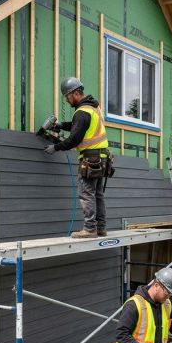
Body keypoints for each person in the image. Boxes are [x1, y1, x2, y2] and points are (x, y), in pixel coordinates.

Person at [43, 77, 111, 238]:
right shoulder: (93, 108)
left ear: (75, 93)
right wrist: (61, 125)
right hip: (102, 157)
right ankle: (101, 228)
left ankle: (90, 229)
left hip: (90, 159)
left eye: (67, 96)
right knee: (97, 194)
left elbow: (74, 139)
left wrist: (56, 147)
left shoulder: (81, 112)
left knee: (86, 193)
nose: (67, 100)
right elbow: (79, 125)